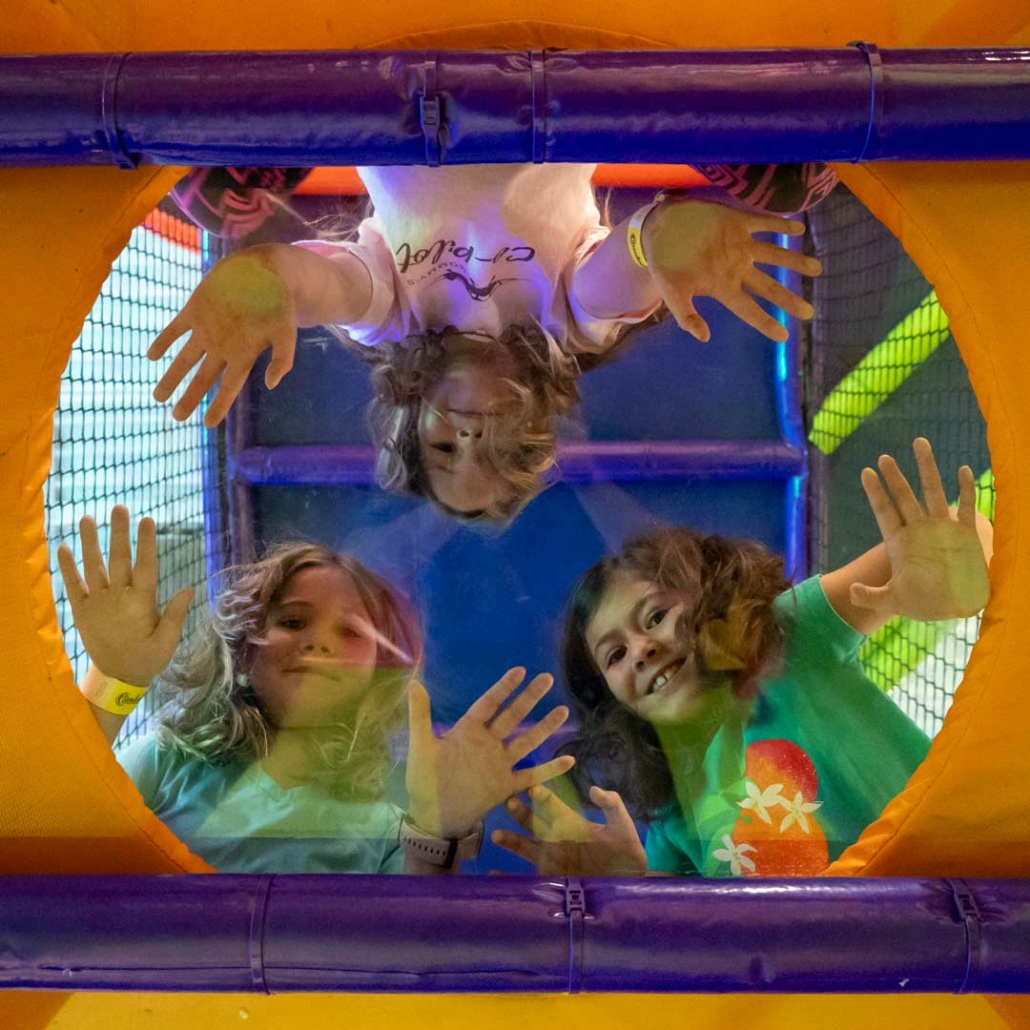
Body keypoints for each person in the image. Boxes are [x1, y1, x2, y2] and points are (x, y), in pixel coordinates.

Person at [150, 162, 829, 519]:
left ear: (410, 419)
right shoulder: (564, 324)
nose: (470, 436)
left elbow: (324, 286)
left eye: (445, 449)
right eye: (497, 451)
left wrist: (268, 277)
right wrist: (657, 240)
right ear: (532, 425)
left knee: (213, 199)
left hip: (396, 84)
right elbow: (617, 278)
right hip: (546, 79)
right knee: (792, 181)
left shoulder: (391, 317)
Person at [493, 438, 993, 877]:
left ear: (708, 598)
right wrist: (631, 883)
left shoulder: (788, 636)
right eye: (616, 654)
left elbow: (957, 539)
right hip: (902, 980)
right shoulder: (671, 816)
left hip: (979, 897)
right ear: (614, 698)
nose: (642, 649)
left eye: (655, 617)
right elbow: (683, 939)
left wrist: (960, 570)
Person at [57, 506, 574, 874]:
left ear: (378, 678)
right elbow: (61, 827)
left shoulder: (384, 827)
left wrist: (438, 829)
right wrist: (116, 680)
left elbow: (412, 945)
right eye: (293, 620)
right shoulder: (172, 760)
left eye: (350, 633)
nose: (317, 644)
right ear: (244, 651)